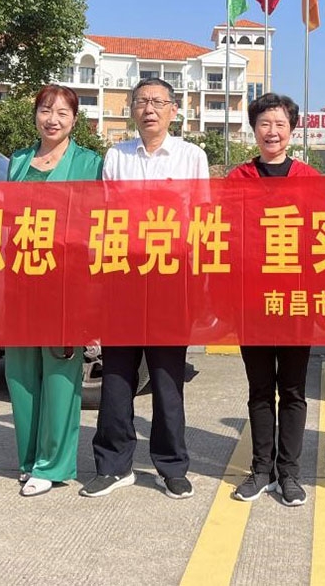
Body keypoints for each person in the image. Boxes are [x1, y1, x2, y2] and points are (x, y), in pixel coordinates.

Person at [81, 78, 209, 500]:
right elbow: (103, 218)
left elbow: (203, 220)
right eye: (141, 102)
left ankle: (172, 466)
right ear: (132, 109)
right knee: (117, 375)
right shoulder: (116, 156)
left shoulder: (191, 156)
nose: (149, 109)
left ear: (174, 110)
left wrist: (200, 284)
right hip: (122, 278)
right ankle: (113, 465)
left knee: (167, 377)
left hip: (171, 280)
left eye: (158, 102)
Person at [5, 85, 103, 497]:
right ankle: (28, 460)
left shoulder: (90, 163)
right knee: (21, 374)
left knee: (61, 374)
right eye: (46, 110)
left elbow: (98, 227)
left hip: (66, 284)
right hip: (20, 281)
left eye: (62, 112)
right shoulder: (18, 161)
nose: (53, 119)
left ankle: (53, 464)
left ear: (74, 120)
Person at [226, 93, 320, 507]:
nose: (272, 131)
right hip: (251, 301)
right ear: (254, 130)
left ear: (292, 130)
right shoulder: (238, 179)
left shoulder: (309, 179)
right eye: (264, 123)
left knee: (294, 390)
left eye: (280, 124)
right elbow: (225, 238)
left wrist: (321, 297)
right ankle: (261, 470)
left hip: (297, 300)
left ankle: (290, 474)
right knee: (260, 388)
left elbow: (324, 240)